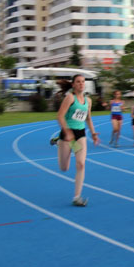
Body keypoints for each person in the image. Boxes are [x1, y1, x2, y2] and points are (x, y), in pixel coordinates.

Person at [53, 74, 100, 206]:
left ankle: (77, 197)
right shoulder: (70, 98)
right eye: (78, 82)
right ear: (73, 84)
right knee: (64, 167)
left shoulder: (88, 101)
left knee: (81, 164)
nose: (81, 84)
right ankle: (58, 141)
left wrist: (94, 133)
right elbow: (60, 117)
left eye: (83, 82)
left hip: (80, 135)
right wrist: (67, 132)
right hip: (68, 134)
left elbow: (88, 118)